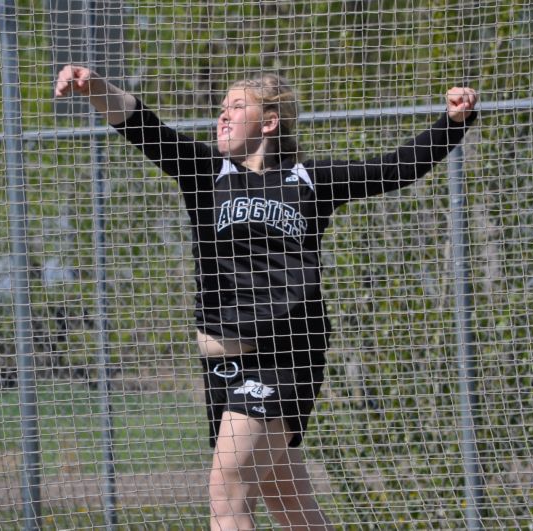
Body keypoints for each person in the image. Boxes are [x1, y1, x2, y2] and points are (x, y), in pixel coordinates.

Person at [55, 65, 478, 530]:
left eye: (237, 107)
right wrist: (94, 86)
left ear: (270, 121)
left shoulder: (310, 179)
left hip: (285, 354)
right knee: (288, 500)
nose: (223, 116)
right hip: (221, 366)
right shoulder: (205, 175)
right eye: (221, 109)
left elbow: (395, 167)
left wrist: (452, 123)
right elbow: (139, 123)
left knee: (226, 490)